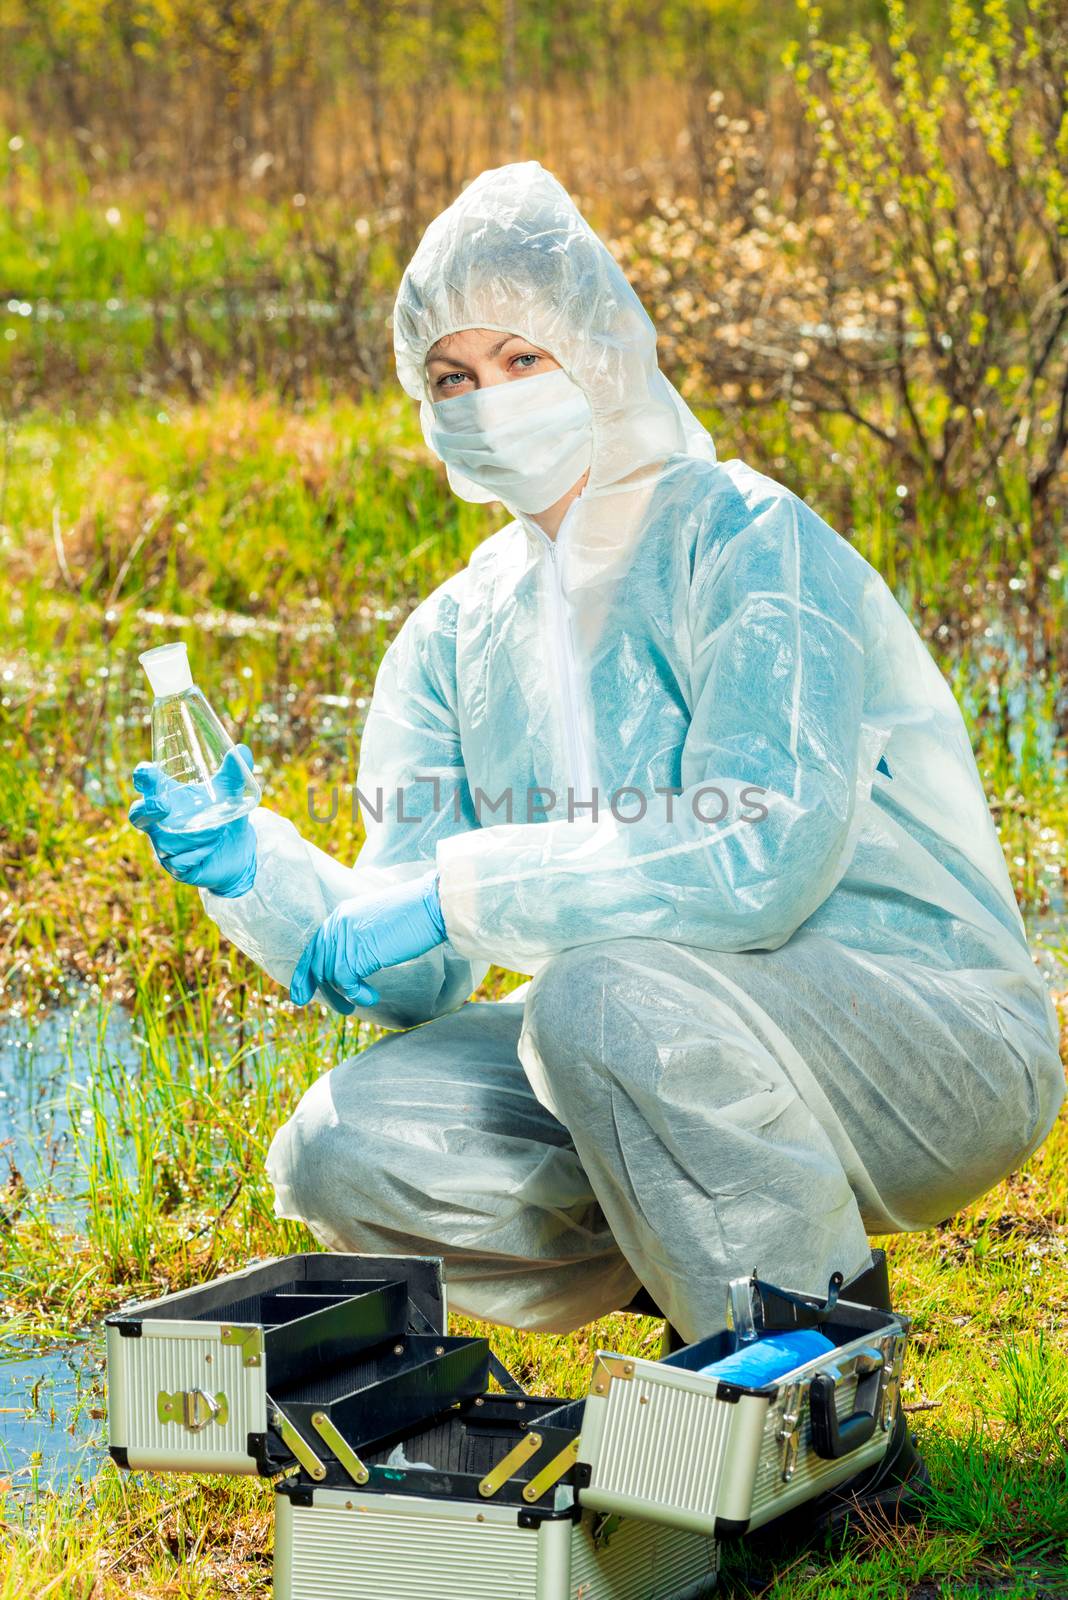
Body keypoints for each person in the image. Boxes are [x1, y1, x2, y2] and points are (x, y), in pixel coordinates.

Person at [130, 160, 1064, 1525]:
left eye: (521, 354)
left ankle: (838, 1438)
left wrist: (458, 895)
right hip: (648, 1053)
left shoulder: (749, 541)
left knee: (598, 991)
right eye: (449, 375)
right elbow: (414, 963)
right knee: (345, 1142)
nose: (486, 394)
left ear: (606, 350)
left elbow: (759, 861)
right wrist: (262, 872)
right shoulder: (452, 636)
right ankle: (706, 1277)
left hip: (920, 1028)